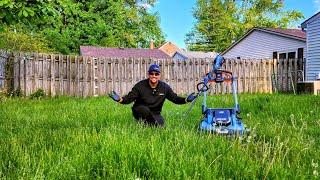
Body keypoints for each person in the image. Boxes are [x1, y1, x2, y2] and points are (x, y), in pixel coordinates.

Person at [108, 64, 196, 126]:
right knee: (143, 109)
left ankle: (149, 124)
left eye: (156, 74)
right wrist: (119, 99)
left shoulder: (164, 87)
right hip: (140, 110)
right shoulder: (140, 85)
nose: (154, 76)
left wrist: (186, 99)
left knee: (160, 125)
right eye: (151, 73)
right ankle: (142, 122)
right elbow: (129, 98)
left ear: (159, 75)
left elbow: (175, 99)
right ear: (148, 74)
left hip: (155, 113)